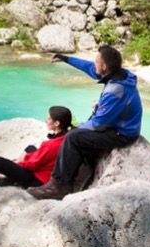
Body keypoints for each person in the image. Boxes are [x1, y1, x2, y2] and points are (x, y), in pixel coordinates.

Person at [29, 45, 141, 200]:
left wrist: (76, 128)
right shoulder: (119, 74)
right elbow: (89, 67)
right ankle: (73, 174)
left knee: (73, 137)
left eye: (97, 61)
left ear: (104, 66)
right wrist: (65, 58)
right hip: (119, 126)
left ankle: (58, 186)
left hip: (122, 133)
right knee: (79, 133)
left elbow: (98, 124)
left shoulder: (115, 90)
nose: (93, 64)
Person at [0, 106, 74, 188]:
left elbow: (32, 165)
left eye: (48, 119)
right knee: (30, 148)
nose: (46, 120)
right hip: (51, 170)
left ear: (56, 123)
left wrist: (15, 165)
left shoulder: (50, 145)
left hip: (39, 180)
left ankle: (13, 180)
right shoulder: (68, 137)